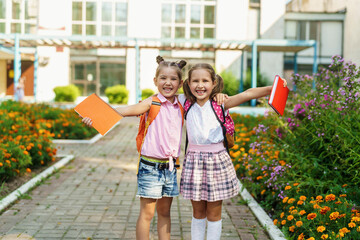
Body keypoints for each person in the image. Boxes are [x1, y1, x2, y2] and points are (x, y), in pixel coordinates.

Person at [178, 63, 287, 240]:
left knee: (214, 212)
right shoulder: (185, 102)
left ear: (213, 83)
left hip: (217, 162)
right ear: (188, 84)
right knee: (198, 212)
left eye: (205, 80)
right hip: (194, 162)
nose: (200, 85)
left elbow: (247, 94)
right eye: (195, 81)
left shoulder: (221, 103)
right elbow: (164, 94)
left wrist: (271, 88)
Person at [83, 56, 186, 240]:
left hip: (170, 168)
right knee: (147, 215)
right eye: (163, 78)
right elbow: (126, 110)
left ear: (180, 83)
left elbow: (205, 92)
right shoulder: (152, 102)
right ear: (155, 81)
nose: (168, 82)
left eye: (173, 79)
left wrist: (220, 94)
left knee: (165, 214)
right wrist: (95, 116)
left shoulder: (181, 103)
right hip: (150, 168)